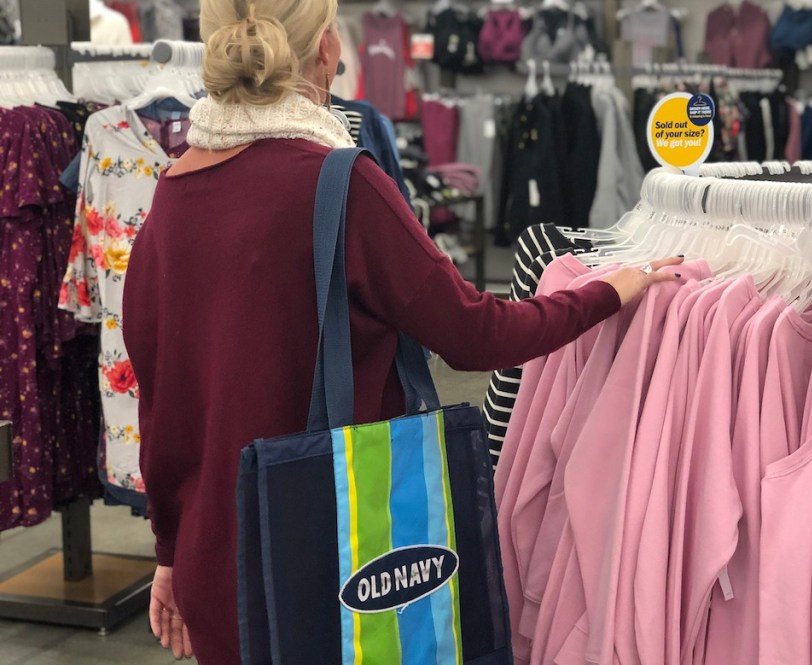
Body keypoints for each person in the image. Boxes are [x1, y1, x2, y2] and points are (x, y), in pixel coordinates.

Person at [122, 0, 681, 661]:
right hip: (342, 549)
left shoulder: (173, 191)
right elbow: (477, 334)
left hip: (216, 555)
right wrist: (604, 292)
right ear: (328, 48)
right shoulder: (341, 184)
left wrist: (168, 554)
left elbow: (160, 398)